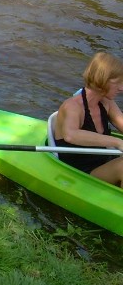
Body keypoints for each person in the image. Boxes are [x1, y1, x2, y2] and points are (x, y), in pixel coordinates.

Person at [52, 52, 123, 187]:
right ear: (103, 79)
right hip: (80, 173)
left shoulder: (107, 103)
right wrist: (117, 142)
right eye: (117, 83)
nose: (122, 88)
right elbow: (70, 135)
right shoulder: (72, 106)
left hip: (102, 164)